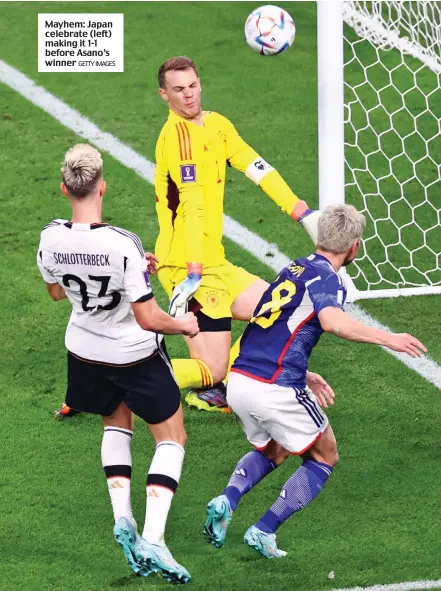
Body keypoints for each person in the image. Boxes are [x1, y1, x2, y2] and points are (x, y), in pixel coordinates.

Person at [203, 204, 427, 558]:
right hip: (273, 387)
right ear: (353, 247)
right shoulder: (327, 278)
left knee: (274, 447)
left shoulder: (292, 269)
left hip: (241, 379)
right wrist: (390, 338)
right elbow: (334, 322)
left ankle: (226, 500)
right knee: (325, 455)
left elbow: (270, 323)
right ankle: (263, 531)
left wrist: (303, 372)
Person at [38, 144, 199, 583]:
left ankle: (123, 518)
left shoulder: (50, 235)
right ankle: (154, 538)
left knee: (115, 422)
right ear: (102, 186)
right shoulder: (122, 242)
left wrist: (131, 274)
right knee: (172, 437)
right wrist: (182, 324)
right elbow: (148, 318)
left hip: (85, 350)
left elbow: (57, 293)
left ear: (64, 189)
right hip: (133, 353)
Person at [154, 55, 321, 412]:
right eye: (178, 90)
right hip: (186, 265)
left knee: (283, 306)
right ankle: (127, 378)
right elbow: (194, 205)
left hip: (216, 261)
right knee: (209, 368)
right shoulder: (177, 141)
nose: (188, 95)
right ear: (164, 95)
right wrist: (195, 271)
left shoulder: (217, 126)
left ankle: (222, 385)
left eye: (193, 86)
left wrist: (301, 211)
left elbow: (257, 166)